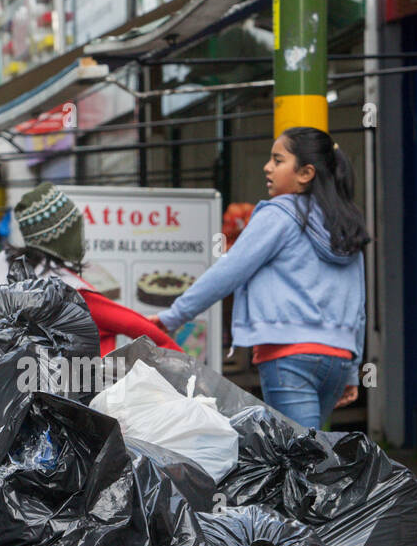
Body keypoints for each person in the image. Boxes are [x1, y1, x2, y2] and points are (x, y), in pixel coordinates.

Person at [149, 127, 367, 430]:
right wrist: (353, 370)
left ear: (305, 173)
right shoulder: (345, 221)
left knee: (301, 458)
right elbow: (358, 303)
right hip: (338, 359)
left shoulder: (278, 214)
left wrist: (175, 315)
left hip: (288, 355)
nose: (267, 167)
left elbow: (229, 271)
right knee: (310, 452)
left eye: (278, 160)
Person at [0, 182, 183, 357]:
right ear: (57, 236)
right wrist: (193, 377)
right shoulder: (73, 294)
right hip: (78, 392)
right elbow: (144, 330)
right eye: (73, 227)